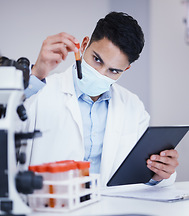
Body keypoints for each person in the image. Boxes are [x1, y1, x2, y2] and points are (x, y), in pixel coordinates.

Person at [23, 12, 178, 187]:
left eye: (113, 71)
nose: (100, 73)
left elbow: (140, 174)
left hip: (107, 210)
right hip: (51, 207)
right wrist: (35, 75)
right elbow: (9, 125)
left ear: (125, 69)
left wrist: (157, 173)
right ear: (83, 45)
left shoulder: (132, 106)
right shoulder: (40, 90)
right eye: (97, 60)